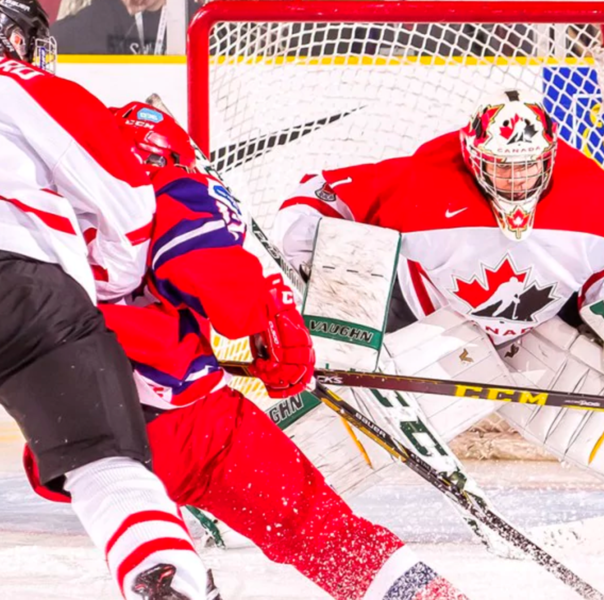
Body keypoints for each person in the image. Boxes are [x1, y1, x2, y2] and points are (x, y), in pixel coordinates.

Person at [272, 89, 604, 550]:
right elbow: (311, 198)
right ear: (473, 156)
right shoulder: (422, 179)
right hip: (431, 323)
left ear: (549, 157)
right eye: (500, 165)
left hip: (537, 335)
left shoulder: (593, 201)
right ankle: (251, 500)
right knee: (356, 420)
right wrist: (311, 259)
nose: (514, 178)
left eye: (526, 165)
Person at [89, 101, 468, 600]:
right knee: (315, 526)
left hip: (75, 419)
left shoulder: (45, 208)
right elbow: (228, 294)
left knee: (121, 501)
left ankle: (159, 565)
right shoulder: (170, 189)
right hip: (186, 421)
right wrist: (273, 325)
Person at [0, 2, 212, 598]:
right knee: (102, 462)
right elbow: (128, 207)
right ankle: (163, 572)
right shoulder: (25, 85)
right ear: (15, 37)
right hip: (22, 288)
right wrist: (108, 293)